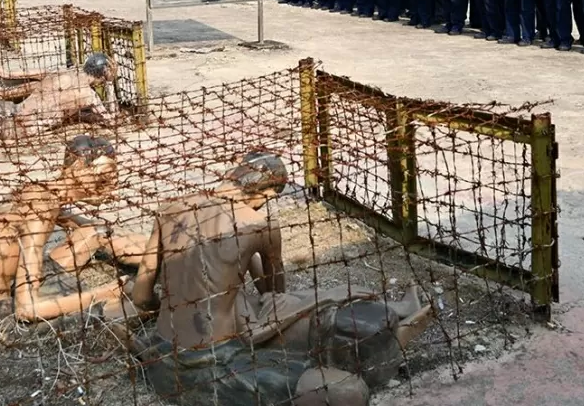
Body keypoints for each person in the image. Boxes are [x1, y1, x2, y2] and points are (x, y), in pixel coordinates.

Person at [128, 152, 434, 406]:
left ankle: (382, 313)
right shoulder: (256, 224)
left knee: (266, 306)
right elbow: (275, 296)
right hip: (216, 364)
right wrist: (253, 268)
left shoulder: (169, 210)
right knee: (347, 390)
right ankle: (381, 322)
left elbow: (142, 297)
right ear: (268, 193)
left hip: (163, 355)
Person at [0, 136, 141, 345]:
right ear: (79, 167)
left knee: (94, 230)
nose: (112, 186)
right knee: (131, 307)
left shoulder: (39, 192)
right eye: (105, 176)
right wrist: (106, 292)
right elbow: (27, 310)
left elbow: (93, 229)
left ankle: (161, 258)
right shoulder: (42, 206)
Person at [0, 48, 119, 136]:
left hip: (12, 111)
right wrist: (110, 84)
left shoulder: (57, 73)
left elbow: (4, 73)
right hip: (26, 129)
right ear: (102, 76)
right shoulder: (89, 96)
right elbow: (112, 122)